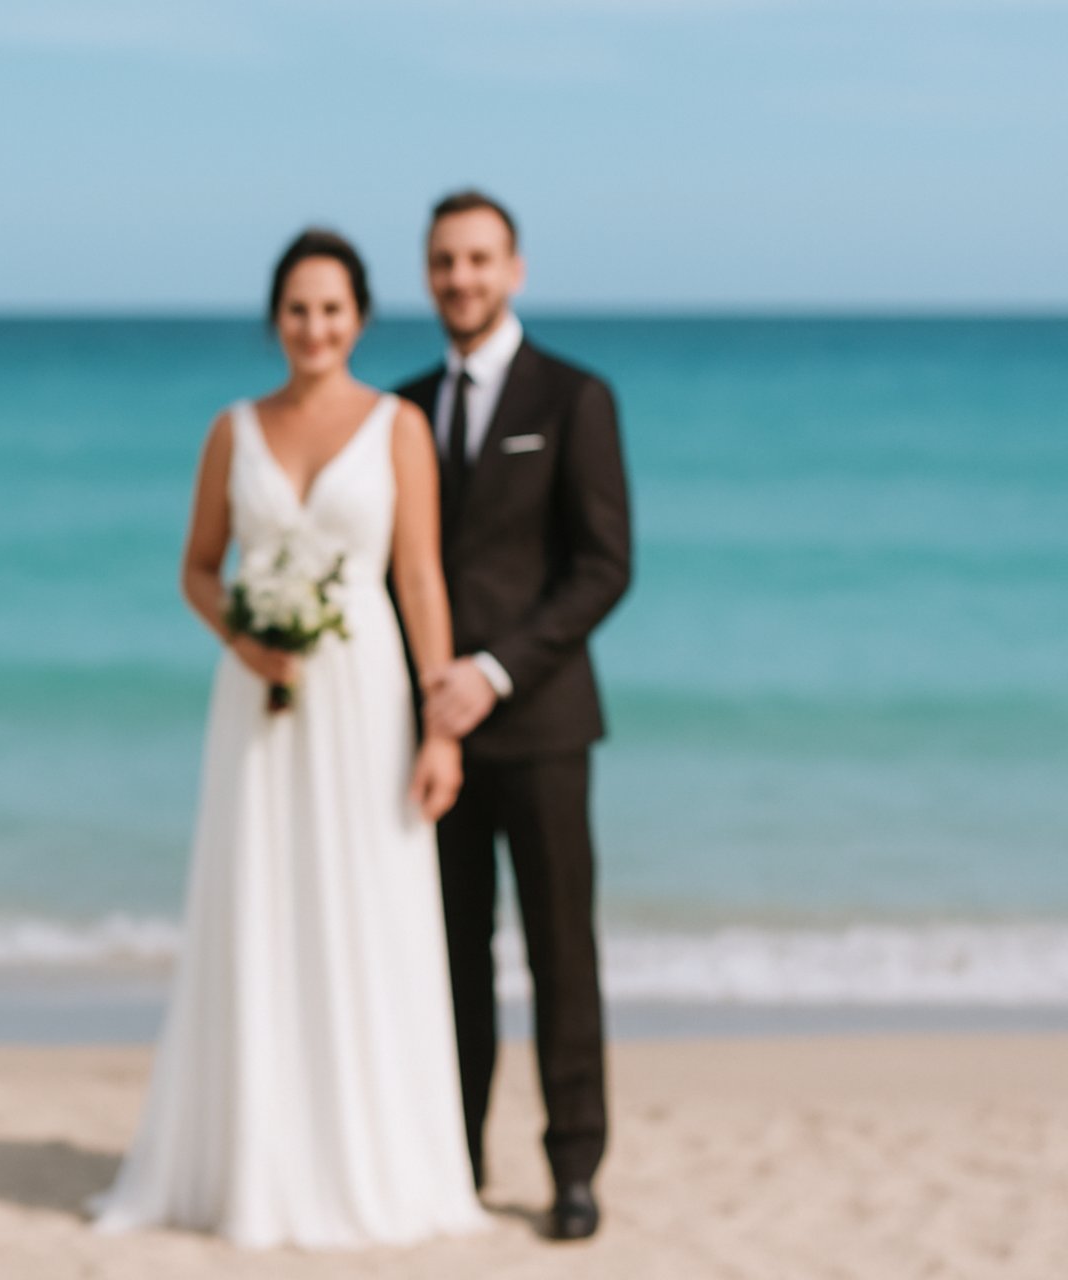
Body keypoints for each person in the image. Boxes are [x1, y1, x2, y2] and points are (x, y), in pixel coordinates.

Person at [92, 229, 487, 1249]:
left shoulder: (399, 425)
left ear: (360, 318)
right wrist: (247, 639)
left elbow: (422, 579)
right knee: (259, 907)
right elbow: (197, 568)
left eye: (332, 309)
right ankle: (256, 1159)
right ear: (278, 319)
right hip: (258, 705)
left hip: (366, 694)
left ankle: (375, 1160)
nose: (315, 327)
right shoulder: (234, 428)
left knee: (370, 911)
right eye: (298, 309)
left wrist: (440, 726)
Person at [396, 189, 632, 1241]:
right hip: (426, 740)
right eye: (446, 261)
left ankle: (573, 1165)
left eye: (480, 259)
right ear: (427, 273)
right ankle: (458, 1154)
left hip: (540, 726)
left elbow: (603, 567)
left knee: (558, 952)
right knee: (446, 956)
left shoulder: (577, 396)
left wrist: (490, 669)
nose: (462, 278)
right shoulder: (401, 407)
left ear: (516, 269)